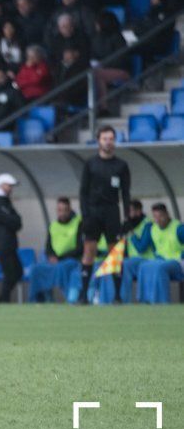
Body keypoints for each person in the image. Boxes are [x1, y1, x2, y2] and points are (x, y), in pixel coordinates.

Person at [77, 126, 131, 304]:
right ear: (98, 141)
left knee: (114, 253)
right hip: (93, 212)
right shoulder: (90, 164)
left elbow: (125, 193)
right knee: (89, 251)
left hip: (111, 212)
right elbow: (83, 192)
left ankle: (117, 295)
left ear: (115, 141)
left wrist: (126, 217)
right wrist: (85, 215)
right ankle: (83, 295)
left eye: (111, 138)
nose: (108, 142)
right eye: (105, 138)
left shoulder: (121, 165)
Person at [28, 197, 82, 302]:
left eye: (65, 210)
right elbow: (48, 246)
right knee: (36, 269)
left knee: (62, 268)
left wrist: (60, 258)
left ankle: (70, 299)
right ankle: (39, 300)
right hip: (56, 260)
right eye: (59, 210)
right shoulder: (53, 225)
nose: (62, 213)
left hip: (72, 260)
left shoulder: (78, 223)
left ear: (69, 209)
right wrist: (51, 256)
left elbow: (80, 248)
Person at [130, 203, 184, 304]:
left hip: (179, 262)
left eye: (161, 216)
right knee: (143, 266)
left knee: (160, 268)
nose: (158, 220)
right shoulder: (153, 229)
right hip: (162, 261)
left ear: (167, 214)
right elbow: (153, 248)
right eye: (155, 217)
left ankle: (163, 302)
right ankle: (144, 301)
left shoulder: (179, 228)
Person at [0, 173, 22, 303]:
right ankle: (3, 299)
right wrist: (15, 221)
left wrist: (15, 220)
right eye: (9, 185)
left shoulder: (2, 201)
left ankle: (3, 298)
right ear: (0, 185)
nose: (10, 188)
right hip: (3, 243)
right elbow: (14, 221)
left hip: (8, 242)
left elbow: (16, 220)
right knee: (12, 273)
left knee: (17, 272)